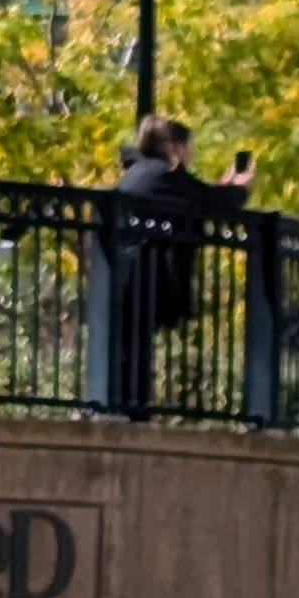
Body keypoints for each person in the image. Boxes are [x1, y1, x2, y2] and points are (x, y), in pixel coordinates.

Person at [103, 117, 248, 411]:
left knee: (128, 347)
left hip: (125, 270)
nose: (189, 154)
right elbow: (211, 200)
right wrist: (240, 189)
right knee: (133, 350)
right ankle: (130, 414)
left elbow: (197, 196)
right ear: (174, 147)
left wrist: (220, 190)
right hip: (145, 273)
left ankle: (123, 409)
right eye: (187, 146)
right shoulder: (166, 173)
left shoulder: (138, 172)